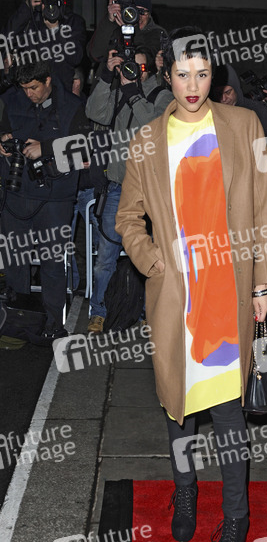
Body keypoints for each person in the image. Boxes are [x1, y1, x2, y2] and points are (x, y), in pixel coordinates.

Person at [115, 27, 267, 542]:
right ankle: (184, 491)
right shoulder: (146, 139)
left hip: (228, 293)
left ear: (215, 74)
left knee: (230, 416)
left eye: (203, 74)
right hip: (175, 298)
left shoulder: (244, 125)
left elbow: (263, 208)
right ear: (167, 75)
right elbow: (127, 217)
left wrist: (263, 286)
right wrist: (152, 260)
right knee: (178, 408)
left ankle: (236, 519)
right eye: (183, 74)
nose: (193, 85)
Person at [0, 59, 90, 340]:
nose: (29, 94)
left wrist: (46, 148)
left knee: (52, 263)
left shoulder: (72, 106)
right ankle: (17, 321)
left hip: (55, 198)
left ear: (48, 80)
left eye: (34, 88)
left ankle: (53, 324)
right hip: (16, 193)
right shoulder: (11, 100)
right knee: (15, 260)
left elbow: (84, 151)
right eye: (24, 88)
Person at [86, 45, 173, 333]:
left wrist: (134, 93)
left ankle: (150, 313)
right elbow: (94, 112)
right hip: (118, 187)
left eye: (140, 67)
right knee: (105, 257)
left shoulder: (162, 95)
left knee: (153, 255)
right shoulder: (118, 90)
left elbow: (155, 127)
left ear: (150, 69)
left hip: (152, 190)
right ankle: (98, 312)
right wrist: (105, 75)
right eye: (129, 65)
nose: (134, 71)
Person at [2, 0, 86, 92]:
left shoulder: (73, 22)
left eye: (53, 3)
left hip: (58, 89)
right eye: (46, 3)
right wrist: (27, 7)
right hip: (29, 88)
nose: (49, 8)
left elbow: (75, 58)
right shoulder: (32, 19)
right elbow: (6, 38)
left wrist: (56, 31)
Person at [87, 0, 166, 90]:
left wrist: (131, 29)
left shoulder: (157, 33)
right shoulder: (114, 30)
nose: (138, 17)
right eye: (133, 11)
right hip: (107, 92)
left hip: (139, 92)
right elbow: (95, 54)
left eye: (142, 12)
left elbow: (147, 59)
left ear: (149, 14)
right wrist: (109, 21)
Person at [211, 63, 267, 135]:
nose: (223, 99)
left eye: (228, 92)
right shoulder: (210, 111)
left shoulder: (257, 110)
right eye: (218, 94)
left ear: (236, 90)